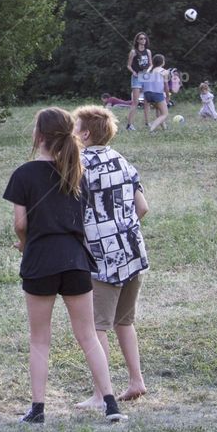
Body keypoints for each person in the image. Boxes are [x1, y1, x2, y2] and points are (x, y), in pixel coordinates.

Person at [2, 107, 126, 424]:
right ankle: (111, 404)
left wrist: (25, 243)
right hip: (75, 259)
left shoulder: (24, 174)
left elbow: (20, 223)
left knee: (39, 339)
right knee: (88, 336)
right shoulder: (77, 172)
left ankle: (38, 410)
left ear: (39, 136)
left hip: (40, 259)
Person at [72, 106, 149, 407]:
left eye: (74, 128)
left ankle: (101, 394)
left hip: (103, 259)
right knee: (124, 321)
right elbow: (142, 207)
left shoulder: (77, 164)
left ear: (86, 134)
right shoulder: (122, 160)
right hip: (133, 253)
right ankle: (136, 380)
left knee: (96, 327)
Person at [125, 32, 152, 131]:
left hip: (146, 77)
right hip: (136, 77)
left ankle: (147, 122)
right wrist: (133, 72)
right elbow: (128, 65)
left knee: (147, 101)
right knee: (135, 102)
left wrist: (148, 72)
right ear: (137, 40)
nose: (143, 40)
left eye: (144, 38)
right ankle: (129, 125)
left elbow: (151, 64)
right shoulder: (133, 52)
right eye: (141, 38)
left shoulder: (148, 52)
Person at [141, 54, 169, 132]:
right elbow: (166, 87)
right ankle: (152, 128)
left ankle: (165, 129)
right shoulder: (164, 71)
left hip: (147, 94)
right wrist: (167, 97)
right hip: (157, 94)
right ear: (162, 62)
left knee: (159, 112)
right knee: (165, 114)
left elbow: (144, 84)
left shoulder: (148, 71)